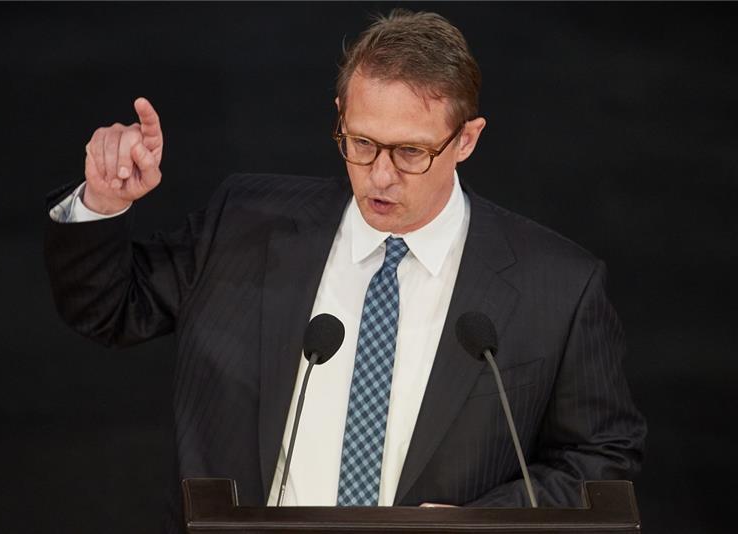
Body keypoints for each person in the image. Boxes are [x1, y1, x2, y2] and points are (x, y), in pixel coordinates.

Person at [45, 8, 646, 531]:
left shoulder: (558, 286)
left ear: (466, 140)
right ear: (340, 115)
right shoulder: (246, 223)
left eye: (410, 151)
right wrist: (103, 201)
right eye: (360, 143)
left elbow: (599, 460)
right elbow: (108, 309)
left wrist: (480, 524)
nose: (380, 175)